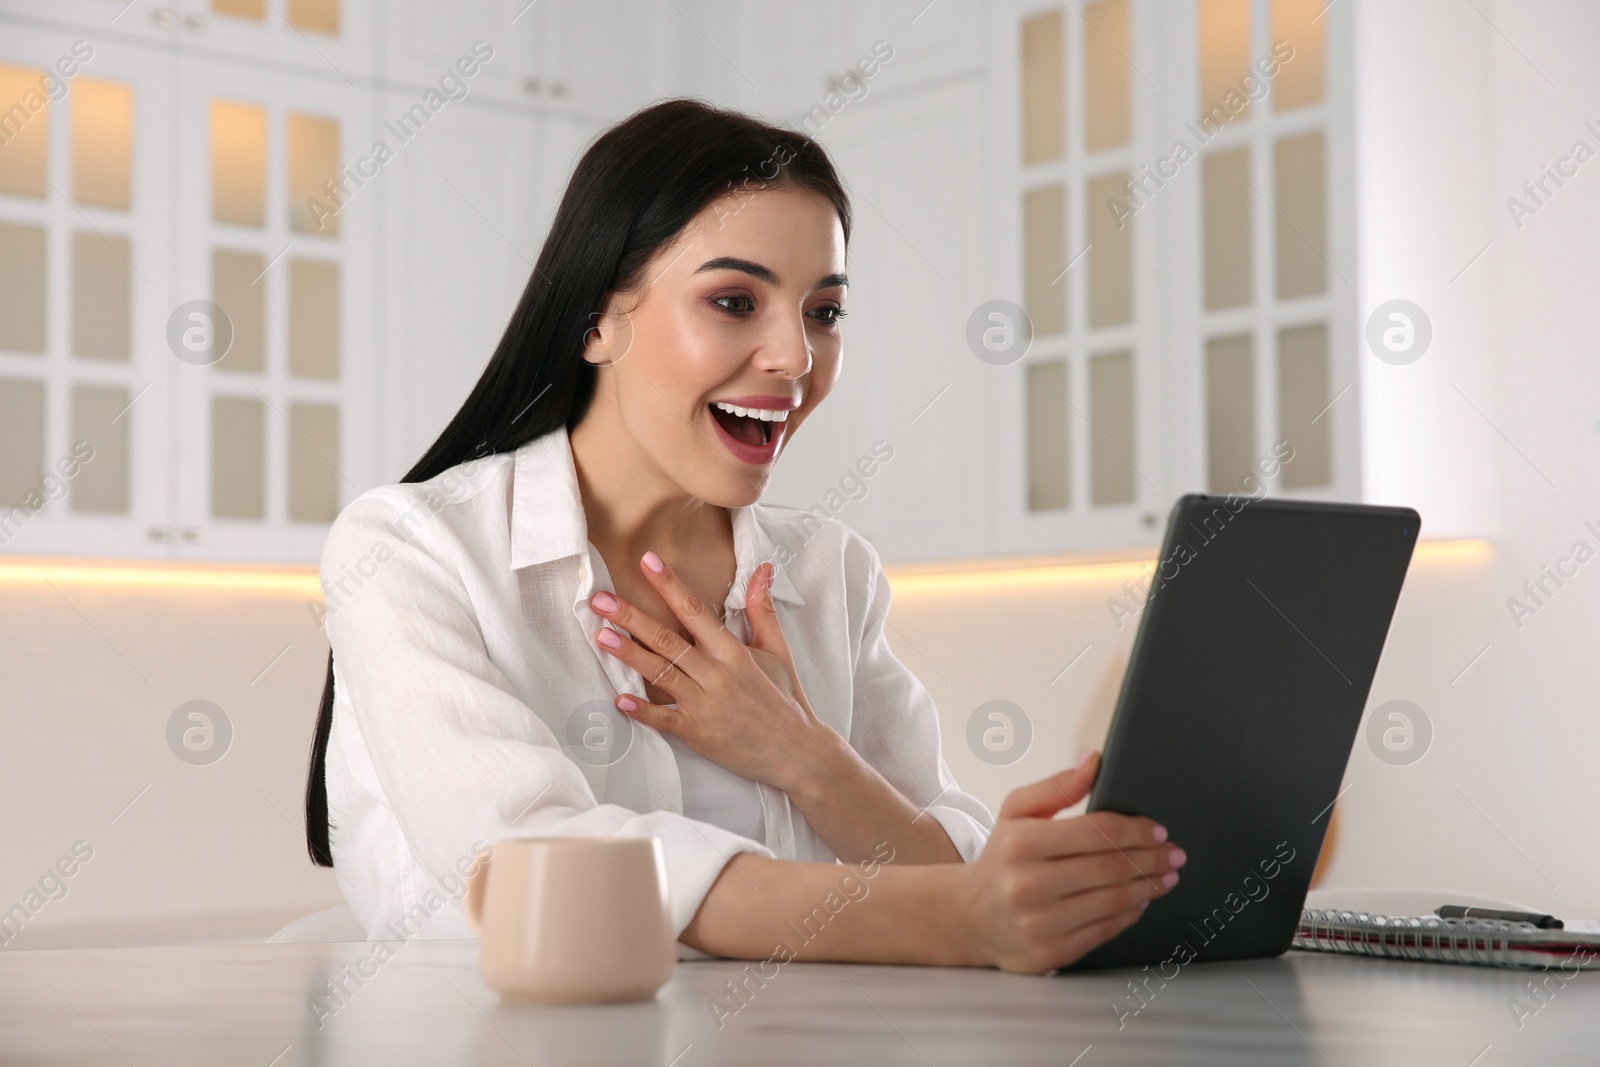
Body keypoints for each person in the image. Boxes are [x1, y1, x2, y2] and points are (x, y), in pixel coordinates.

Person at [303, 98, 1185, 973]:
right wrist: (951, 916)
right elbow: (536, 868)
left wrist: (804, 755)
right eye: (734, 300)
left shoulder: (831, 570)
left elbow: (950, 867)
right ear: (597, 319)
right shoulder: (410, 549)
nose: (795, 358)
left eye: (823, 312)